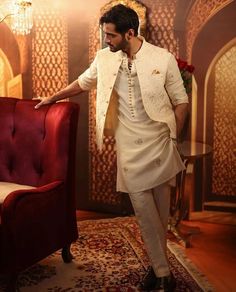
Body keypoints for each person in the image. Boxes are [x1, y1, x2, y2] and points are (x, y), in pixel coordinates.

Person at [35, 4, 188, 291]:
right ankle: (163, 271)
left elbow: (181, 101)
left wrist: (173, 138)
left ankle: (160, 271)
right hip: (129, 146)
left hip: (160, 142)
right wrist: (52, 99)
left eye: (111, 35)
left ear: (130, 33)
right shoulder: (104, 58)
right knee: (144, 211)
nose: (106, 40)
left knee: (161, 212)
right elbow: (82, 83)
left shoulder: (162, 58)